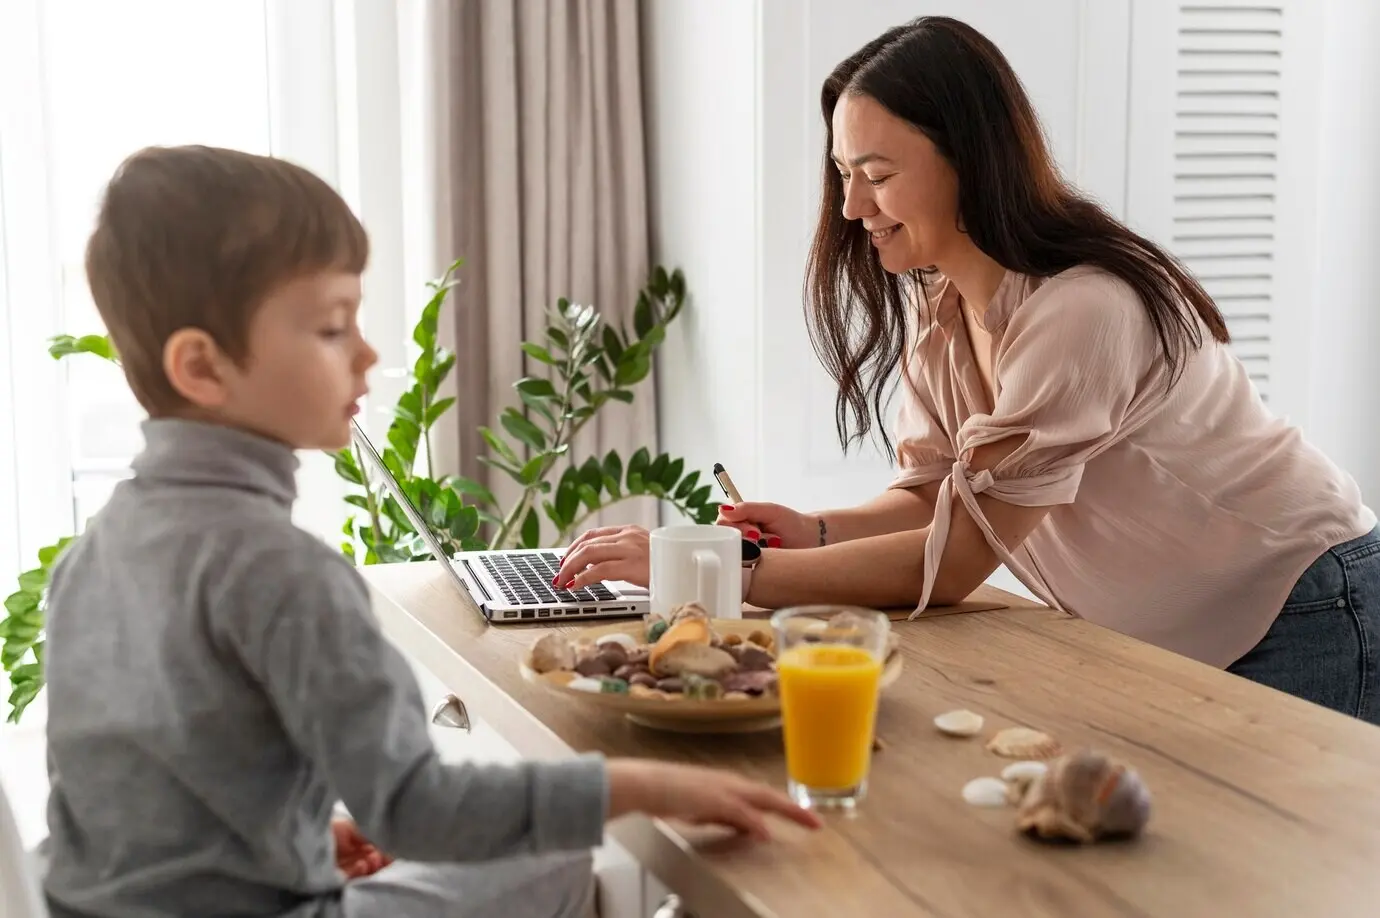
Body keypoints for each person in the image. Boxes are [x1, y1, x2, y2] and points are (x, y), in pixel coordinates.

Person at [38, 145, 820, 918]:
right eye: (333, 328)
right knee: (556, 863)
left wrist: (299, 838)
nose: (371, 354)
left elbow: (136, 798)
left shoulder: (88, 558)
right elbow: (418, 807)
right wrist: (646, 785)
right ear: (202, 368)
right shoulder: (286, 572)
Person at [556, 16, 1380, 726]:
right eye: (844, 175)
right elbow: (932, 496)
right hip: (1197, 623)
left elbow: (953, 563)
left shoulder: (1080, 310)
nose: (850, 208)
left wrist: (722, 568)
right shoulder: (941, 309)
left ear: (973, 160)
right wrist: (806, 529)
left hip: (1303, 600)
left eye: (877, 176)